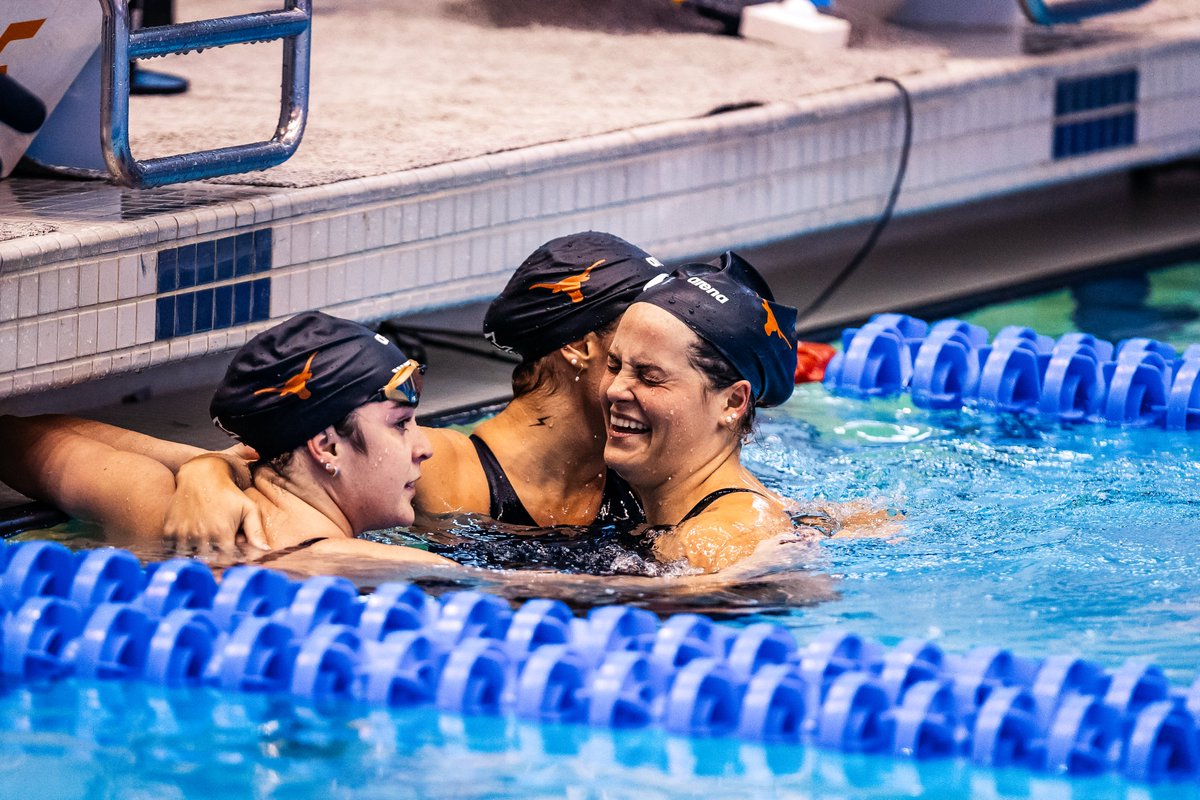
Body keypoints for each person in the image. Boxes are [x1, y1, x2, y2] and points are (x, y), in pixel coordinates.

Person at [167, 231, 667, 550]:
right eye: (641, 330)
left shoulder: (647, 463)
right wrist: (204, 472)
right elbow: (282, 456)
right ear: (580, 346)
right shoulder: (441, 471)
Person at [0, 311, 455, 571]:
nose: (424, 447)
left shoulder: (160, 513)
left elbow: (14, 436)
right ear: (327, 447)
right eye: (401, 424)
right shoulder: (397, 570)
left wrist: (209, 467)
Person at [600, 253, 807, 573]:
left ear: (732, 402)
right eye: (614, 366)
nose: (615, 389)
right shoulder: (771, 507)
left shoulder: (708, 540)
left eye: (649, 377)